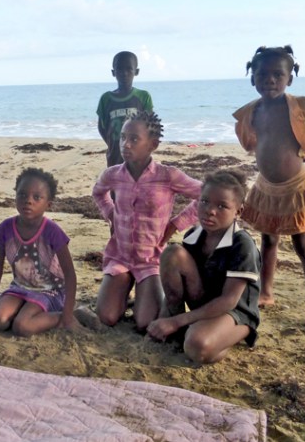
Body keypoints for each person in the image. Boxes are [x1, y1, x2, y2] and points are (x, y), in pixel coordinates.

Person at [233, 45, 305, 335]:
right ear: (252, 78)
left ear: (290, 79)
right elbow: (257, 142)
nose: (270, 80)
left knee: (302, 245)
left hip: (295, 187)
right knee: (268, 240)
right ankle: (266, 292)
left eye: (278, 74)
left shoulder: (300, 105)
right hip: (266, 186)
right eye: (262, 74)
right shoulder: (253, 111)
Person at [92, 111, 202, 331]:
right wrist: (111, 214)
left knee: (144, 323)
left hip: (151, 259)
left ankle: (142, 296)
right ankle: (123, 293)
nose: (126, 144)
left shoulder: (167, 175)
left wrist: (175, 225)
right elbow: (98, 192)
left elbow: (205, 195)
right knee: (107, 317)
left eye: (134, 139)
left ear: (153, 145)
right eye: (123, 137)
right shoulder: (113, 174)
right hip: (120, 256)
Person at [146, 170, 261, 364]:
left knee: (197, 346)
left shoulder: (242, 245)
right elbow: (180, 283)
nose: (210, 211)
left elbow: (228, 301)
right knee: (172, 253)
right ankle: (185, 327)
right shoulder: (194, 235)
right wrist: (169, 316)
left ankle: (230, 335)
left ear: (238, 211)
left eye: (222, 206)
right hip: (203, 303)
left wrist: (175, 322)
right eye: (204, 201)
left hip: (235, 311)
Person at [0, 168, 79, 337]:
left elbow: (70, 275)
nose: (28, 201)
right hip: (20, 287)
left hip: (49, 290)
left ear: (48, 204)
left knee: (22, 327)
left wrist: (67, 316)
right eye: (22, 195)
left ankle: (61, 316)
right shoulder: (6, 228)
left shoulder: (53, 232)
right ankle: (24, 309)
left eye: (36, 197)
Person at [96, 51, 154, 168]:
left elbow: (150, 127)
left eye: (129, 69)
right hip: (115, 157)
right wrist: (113, 145)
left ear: (136, 71)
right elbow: (102, 127)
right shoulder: (106, 99)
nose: (124, 73)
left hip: (138, 157)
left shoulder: (143, 97)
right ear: (113, 72)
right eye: (120, 69)